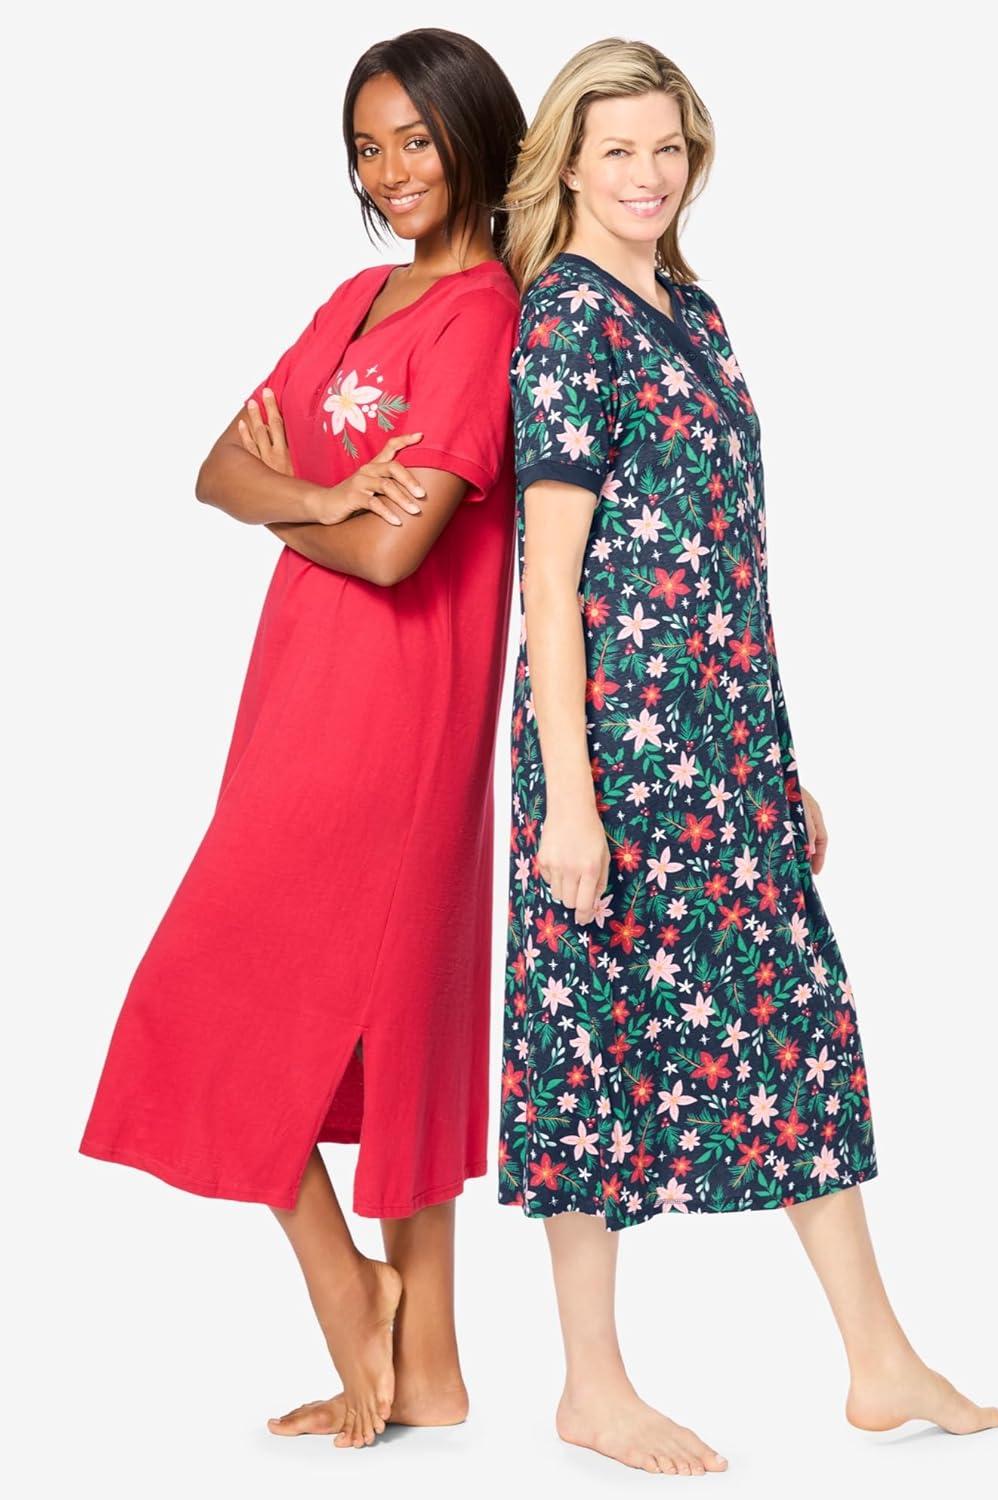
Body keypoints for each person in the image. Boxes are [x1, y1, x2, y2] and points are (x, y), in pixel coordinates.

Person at [497, 36, 998, 1477]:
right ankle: (591, 1386)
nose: (647, 174)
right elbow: (549, 585)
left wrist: (773, 762)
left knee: (800, 1029)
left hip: (723, 754)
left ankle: (878, 1359)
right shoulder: (566, 324)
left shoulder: (695, 310)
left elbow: (727, 559)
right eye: (617, 150)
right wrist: (572, 799)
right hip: (611, 760)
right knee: (589, 1050)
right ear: (567, 166)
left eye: (666, 147)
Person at [80, 28, 524, 1452]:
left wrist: (301, 503)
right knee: (358, 1004)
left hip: (396, 709)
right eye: (367, 147)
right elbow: (216, 467)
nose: (391, 171)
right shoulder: (355, 296)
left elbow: (402, 556)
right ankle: (428, 1367)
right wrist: (326, 500)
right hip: (296, 691)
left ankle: (354, 1296)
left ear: (476, 137)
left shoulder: (483, 317)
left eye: (416, 140)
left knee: (239, 984)